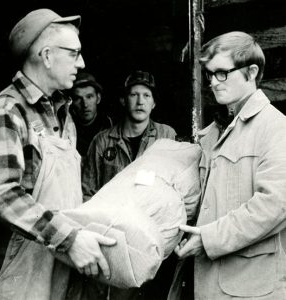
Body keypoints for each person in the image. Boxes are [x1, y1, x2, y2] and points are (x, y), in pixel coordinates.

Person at [0, 8, 116, 300]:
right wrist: (69, 239)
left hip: (62, 267)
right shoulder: (7, 110)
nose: (81, 63)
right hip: (19, 273)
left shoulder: (63, 116)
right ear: (46, 56)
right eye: (74, 53)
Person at [169, 31, 286, 299]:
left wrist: (208, 239)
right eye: (209, 74)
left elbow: (274, 206)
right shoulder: (213, 133)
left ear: (252, 71)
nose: (213, 82)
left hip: (251, 286)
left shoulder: (276, 128)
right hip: (211, 282)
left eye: (222, 72)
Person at [81, 70, 177, 299]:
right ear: (124, 100)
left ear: (154, 103)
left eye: (146, 95)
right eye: (134, 94)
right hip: (114, 236)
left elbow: (176, 187)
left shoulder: (166, 136)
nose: (140, 101)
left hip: (153, 235)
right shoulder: (103, 140)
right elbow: (87, 191)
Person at [69, 71, 113, 160]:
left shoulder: (111, 127)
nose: (85, 104)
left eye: (89, 97)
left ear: (98, 98)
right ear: (71, 102)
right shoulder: (66, 129)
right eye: (78, 98)